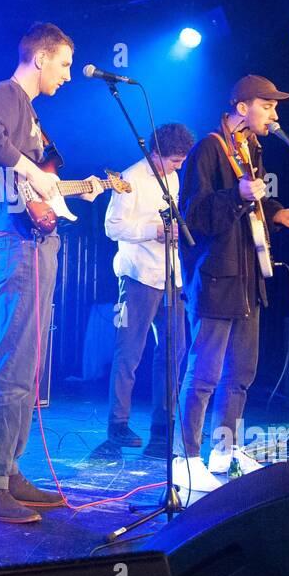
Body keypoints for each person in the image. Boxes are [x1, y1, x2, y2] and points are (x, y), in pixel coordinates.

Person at [0, 23, 102, 523]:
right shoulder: (6, 94)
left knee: (28, 364)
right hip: (13, 242)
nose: (67, 75)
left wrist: (68, 186)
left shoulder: (30, 113)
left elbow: (37, 180)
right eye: (64, 64)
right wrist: (26, 167)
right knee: (14, 359)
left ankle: (9, 469)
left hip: (33, 239)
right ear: (40, 58)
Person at [179, 75, 289, 485]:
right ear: (242, 107)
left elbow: (253, 198)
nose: (274, 114)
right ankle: (187, 459)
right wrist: (237, 194)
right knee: (205, 373)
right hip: (217, 276)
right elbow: (195, 214)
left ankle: (225, 451)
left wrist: (275, 212)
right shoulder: (208, 148)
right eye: (268, 105)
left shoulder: (249, 148)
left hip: (248, 275)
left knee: (240, 372)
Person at [104, 123, 195, 457]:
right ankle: (118, 424)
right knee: (129, 352)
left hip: (171, 276)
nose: (179, 166)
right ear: (156, 154)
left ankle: (163, 425)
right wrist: (153, 230)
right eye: (174, 160)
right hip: (137, 276)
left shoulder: (171, 177)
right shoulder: (129, 178)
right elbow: (112, 227)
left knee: (174, 351)